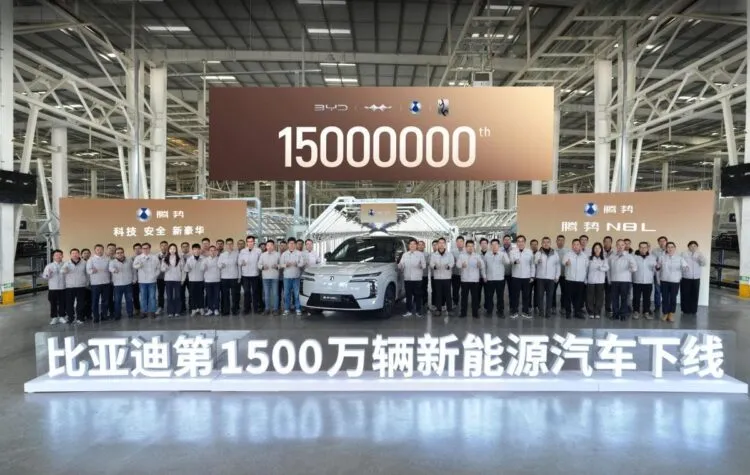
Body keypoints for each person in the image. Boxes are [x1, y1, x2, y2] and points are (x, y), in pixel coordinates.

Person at [656, 241, 687, 323]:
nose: (670, 249)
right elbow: (658, 269)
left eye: (672, 247)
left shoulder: (680, 258)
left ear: (675, 248)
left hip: (675, 281)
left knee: (673, 298)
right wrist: (658, 278)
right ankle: (665, 313)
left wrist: (685, 268)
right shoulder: (662, 257)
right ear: (666, 248)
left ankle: (671, 313)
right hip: (664, 281)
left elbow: (685, 267)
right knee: (665, 298)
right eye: (668, 247)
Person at [609, 239, 637, 320]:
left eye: (622, 245)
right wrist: (609, 279)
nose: (620, 246)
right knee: (614, 299)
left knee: (624, 298)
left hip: (625, 280)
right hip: (614, 280)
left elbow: (635, 268)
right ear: (616, 246)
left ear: (625, 246)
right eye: (618, 245)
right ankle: (615, 314)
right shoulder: (612, 256)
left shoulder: (629, 256)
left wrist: (631, 268)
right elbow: (609, 269)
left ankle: (623, 314)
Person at [508, 235, 534, 319]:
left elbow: (532, 264)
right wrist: (515, 262)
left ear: (525, 242)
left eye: (522, 241)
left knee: (526, 295)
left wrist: (532, 276)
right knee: (515, 295)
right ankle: (514, 311)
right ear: (516, 243)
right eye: (518, 241)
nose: (520, 243)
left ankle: (525, 311)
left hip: (526, 277)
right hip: (516, 277)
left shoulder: (529, 252)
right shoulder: (512, 251)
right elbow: (510, 261)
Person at [399, 238, 426, 318]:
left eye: (414, 244)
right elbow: (401, 264)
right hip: (407, 278)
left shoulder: (420, 254)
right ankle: (409, 311)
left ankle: (418, 311)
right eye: (411, 244)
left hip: (417, 279)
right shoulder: (405, 255)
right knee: (408, 296)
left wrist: (420, 265)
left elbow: (424, 265)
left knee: (418, 296)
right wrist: (399, 266)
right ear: (409, 246)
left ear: (416, 245)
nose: (412, 245)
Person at [132, 242, 161, 319]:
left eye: (147, 248)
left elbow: (158, 268)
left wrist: (155, 276)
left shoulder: (154, 257)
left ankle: (152, 311)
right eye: (143, 248)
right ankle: (143, 312)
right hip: (142, 281)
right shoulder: (138, 257)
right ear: (142, 249)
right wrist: (139, 265)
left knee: (152, 297)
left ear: (149, 249)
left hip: (152, 281)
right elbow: (134, 266)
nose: (145, 249)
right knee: (143, 297)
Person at [534, 236, 560, 319]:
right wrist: (537, 261)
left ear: (550, 243)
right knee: (540, 295)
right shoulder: (538, 253)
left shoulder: (555, 253)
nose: (546, 244)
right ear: (541, 243)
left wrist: (557, 276)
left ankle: (548, 312)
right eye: (544, 242)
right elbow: (534, 262)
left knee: (550, 296)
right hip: (540, 278)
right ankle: (541, 312)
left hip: (551, 278)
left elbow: (558, 265)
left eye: (547, 242)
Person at [483, 238, 510, 318]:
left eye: (496, 244)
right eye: (493, 245)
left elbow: (508, 262)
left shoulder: (503, 254)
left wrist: (504, 257)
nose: (494, 246)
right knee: (489, 296)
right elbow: (484, 266)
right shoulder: (487, 255)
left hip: (500, 279)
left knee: (500, 296)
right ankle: (489, 311)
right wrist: (484, 276)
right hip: (490, 279)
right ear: (490, 246)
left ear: (499, 246)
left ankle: (500, 311)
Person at [457, 239, 483, 319]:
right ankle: (463, 312)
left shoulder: (477, 256)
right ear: (466, 247)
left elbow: (482, 265)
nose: (470, 248)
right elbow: (457, 265)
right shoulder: (462, 256)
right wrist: (462, 265)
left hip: (474, 280)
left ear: (474, 247)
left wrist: (479, 265)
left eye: (472, 246)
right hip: (465, 280)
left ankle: (475, 313)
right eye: (468, 246)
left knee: (475, 298)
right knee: (464, 297)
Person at [563, 239, 588, 319]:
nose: (576, 246)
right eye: (574, 244)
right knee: (568, 297)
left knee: (578, 298)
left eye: (577, 244)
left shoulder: (584, 256)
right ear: (572, 246)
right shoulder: (568, 254)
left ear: (580, 246)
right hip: (570, 279)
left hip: (580, 280)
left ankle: (577, 312)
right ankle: (568, 312)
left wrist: (585, 279)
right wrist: (567, 263)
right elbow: (564, 262)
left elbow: (586, 268)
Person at [86, 244, 111, 322]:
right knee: (95, 301)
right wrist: (92, 270)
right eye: (97, 249)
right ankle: (96, 317)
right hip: (95, 284)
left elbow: (110, 269)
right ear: (95, 250)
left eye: (101, 249)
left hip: (106, 282)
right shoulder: (91, 260)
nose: (99, 251)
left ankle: (104, 315)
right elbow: (88, 270)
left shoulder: (107, 259)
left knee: (105, 301)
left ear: (103, 250)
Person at [62, 248, 87, 325]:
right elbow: (62, 271)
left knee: (81, 303)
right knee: (69, 303)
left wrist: (87, 283)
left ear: (79, 254)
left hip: (81, 286)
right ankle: (71, 318)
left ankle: (80, 317)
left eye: (76, 253)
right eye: (73, 253)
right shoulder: (67, 263)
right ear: (70, 255)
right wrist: (64, 270)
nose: (75, 255)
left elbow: (87, 273)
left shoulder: (84, 263)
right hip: (70, 286)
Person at [632, 241, 657, 320]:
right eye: (641, 247)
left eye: (645, 247)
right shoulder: (634, 257)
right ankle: (636, 312)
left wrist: (655, 267)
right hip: (637, 281)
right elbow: (632, 268)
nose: (643, 249)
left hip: (648, 281)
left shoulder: (652, 258)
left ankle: (646, 312)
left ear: (647, 248)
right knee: (636, 298)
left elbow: (655, 270)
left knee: (647, 298)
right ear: (639, 248)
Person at [681, 240, 706, 315]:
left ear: (697, 247)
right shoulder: (684, 254)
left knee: (695, 294)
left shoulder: (700, 254)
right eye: (691, 246)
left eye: (695, 246)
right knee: (685, 294)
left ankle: (693, 309)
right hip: (686, 277)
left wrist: (700, 259)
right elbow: (681, 264)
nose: (693, 247)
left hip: (696, 278)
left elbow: (703, 264)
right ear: (688, 247)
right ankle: (685, 309)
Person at [430, 238, 454, 317]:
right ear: (438, 244)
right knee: (438, 294)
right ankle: (438, 309)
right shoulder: (434, 255)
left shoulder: (449, 254)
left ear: (445, 244)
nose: (441, 244)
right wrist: (434, 266)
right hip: (437, 277)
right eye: (439, 243)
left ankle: (450, 309)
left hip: (447, 277)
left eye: (443, 243)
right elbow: (431, 263)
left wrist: (448, 266)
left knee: (448, 294)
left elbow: (452, 263)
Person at [239, 235, 263, 314]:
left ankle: (256, 308)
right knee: (246, 292)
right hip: (245, 275)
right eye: (248, 242)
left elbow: (261, 261)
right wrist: (241, 263)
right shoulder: (243, 251)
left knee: (255, 292)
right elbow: (239, 261)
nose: (250, 243)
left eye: (251, 241)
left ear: (254, 242)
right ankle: (247, 308)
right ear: (246, 243)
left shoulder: (258, 251)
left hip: (255, 274)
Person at [109, 247, 134, 320]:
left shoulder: (129, 260)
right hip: (117, 285)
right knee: (117, 301)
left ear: (123, 253)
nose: (120, 254)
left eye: (121, 252)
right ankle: (117, 315)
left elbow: (133, 270)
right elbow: (110, 268)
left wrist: (134, 279)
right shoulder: (112, 262)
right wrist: (114, 270)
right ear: (115, 254)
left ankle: (130, 314)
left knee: (129, 300)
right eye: (118, 253)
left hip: (128, 283)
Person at [281, 237, 304, 316]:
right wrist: (285, 265)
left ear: (295, 244)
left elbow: (302, 263)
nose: (291, 245)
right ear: (288, 244)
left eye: (293, 243)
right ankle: (286, 309)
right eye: (290, 243)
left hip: (296, 276)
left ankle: (298, 308)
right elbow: (281, 264)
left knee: (296, 294)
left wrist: (296, 264)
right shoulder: (284, 254)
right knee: (286, 294)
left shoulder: (299, 253)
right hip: (287, 277)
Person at [42, 250, 66, 325]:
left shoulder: (65, 264)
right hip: (53, 288)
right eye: (56, 255)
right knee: (53, 303)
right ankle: (54, 318)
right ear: (53, 257)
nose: (58, 256)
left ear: (62, 256)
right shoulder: (49, 266)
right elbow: (45, 277)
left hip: (63, 287)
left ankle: (62, 317)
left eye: (60, 255)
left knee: (63, 303)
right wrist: (48, 274)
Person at [586, 243, 608, 320]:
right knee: (590, 297)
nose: (597, 249)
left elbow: (607, 268)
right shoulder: (589, 258)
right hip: (591, 280)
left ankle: (597, 312)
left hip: (600, 281)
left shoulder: (604, 259)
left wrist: (600, 268)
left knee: (599, 298)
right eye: (595, 248)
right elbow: (586, 269)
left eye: (599, 248)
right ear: (593, 249)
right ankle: (591, 312)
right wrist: (585, 279)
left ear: (601, 249)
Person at [160, 243, 184, 318]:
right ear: (168, 250)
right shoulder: (165, 259)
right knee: (169, 296)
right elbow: (162, 269)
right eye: (171, 249)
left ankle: (177, 311)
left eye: (174, 249)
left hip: (177, 279)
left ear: (176, 250)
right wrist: (165, 268)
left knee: (177, 296)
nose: (172, 250)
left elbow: (183, 270)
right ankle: (170, 312)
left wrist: (182, 279)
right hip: (168, 280)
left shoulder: (180, 258)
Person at [218, 237, 240, 316]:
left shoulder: (237, 254)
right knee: (225, 295)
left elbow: (239, 266)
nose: (229, 245)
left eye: (231, 244)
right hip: (224, 278)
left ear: (233, 244)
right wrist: (221, 265)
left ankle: (235, 310)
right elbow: (218, 265)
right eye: (228, 244)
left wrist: (239, 277)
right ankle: (225, 310)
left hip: (234, 277)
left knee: (234, 295)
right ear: (226, 245)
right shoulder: (222, 255)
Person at [259, 240, 281, 315]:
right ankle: (267, 309)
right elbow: (258, 265)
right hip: (265, 277)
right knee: (266, 294)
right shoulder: (263, 255)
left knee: (275, 294)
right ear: (266, 247)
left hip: (274, 277)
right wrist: (262, 267)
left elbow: (282, 264)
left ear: (273, 246)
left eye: (271, 245)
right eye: (268, 245)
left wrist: (277, 266)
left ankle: (275, 309)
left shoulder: (278, 254)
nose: (269, 247)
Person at [184, 243, 206, 316]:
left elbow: (205, 269)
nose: (196, 251)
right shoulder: (189, 259)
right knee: (192, 295)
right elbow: (186, 269)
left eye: (198, 249)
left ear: (200, 250)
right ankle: (193, 309)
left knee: (201, 295)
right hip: (192, 280)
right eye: (194, 249)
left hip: (201, 279)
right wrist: (188, 267)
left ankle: (201, 308)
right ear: (192, 250)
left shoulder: (203, 258)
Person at [203, 246, 221, 316]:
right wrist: (204, 267)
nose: (212, 252)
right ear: (208, 252)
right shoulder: (205, 260)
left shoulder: (219, 259)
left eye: (214, 250)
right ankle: (210, 309)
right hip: (208, 281)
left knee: (216, 296)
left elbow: (221, 268)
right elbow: (201, 269)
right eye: (211, 250)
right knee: (209, 295)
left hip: (217, 280)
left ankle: (216, 309)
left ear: (216, 252)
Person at [652, 236, 668, 314]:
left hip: (667, 274)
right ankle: (657, 307)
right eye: (660, 241)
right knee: (657, 291)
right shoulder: (654, 251)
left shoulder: (670, 250)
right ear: (658, 242)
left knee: (666, 292)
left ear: (666, 242)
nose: (662, 243)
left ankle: (666, 307)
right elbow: (653, 261)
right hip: (657, 273)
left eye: (663, 241)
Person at [553, 234, 568, 313]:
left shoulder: (568, 251)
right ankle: (553, 307)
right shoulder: (553, 251)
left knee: (564, 292)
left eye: (562, 240)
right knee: (552, 291)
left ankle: (563, 307)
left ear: (564, 241)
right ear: (556, 241)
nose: (560, 242)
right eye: (559, 240)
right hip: (554, 275)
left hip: (564, 275)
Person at [451, 236, 465, 309]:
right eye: (458, 242)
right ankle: (455, 302)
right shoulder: (452, 252)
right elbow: (451, 262)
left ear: (463, 242)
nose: (459, 243)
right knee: (455, 290)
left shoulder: (466, 251)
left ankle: (463, 303)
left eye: (461, 241)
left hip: (464, 275)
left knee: (464, 290)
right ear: (456, 243)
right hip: (455, 274)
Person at [602, 236, 614, 316]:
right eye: (606, 241)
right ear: (603, 242)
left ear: (611, 243)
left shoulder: (614, 252)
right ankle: (598, 308)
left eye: (609, 241)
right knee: (599, 294)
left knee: (609, 294)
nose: (607, 243)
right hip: (601, 276)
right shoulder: (599, 250)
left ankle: (608, 308)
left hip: (610, 276)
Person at [156, 240, 168, 315]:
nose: (164, 247)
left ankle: (171, 307)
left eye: (165, 245)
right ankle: (160, 307)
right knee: (160, 293)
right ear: (160, 247)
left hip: (169, 277)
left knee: (170, 294)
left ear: (167, 246)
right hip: (160, 277)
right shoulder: (156, 256)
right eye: (162, 245)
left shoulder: (170, 255)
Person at [418, 241, 430, 308]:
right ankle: (417, 303)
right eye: (419, 245)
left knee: (424, 289)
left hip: (424, 275)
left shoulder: (427, 254)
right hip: (416, 276)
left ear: (424, 246)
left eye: (422, 245)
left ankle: (425, 303)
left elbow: (428, 263)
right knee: (417, 290)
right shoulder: (415, 253)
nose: (420, 246)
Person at [180, 241, 191, 313]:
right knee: (181, 294)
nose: (185, 248)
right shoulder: (178, 257)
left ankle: (191, 307)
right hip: (181, 278)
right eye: (183, 247)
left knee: (192, 293)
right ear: (181, 248)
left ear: (189, 247)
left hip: (190, 278)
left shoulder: (192, 256)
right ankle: (182, 308)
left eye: (186, 246)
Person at [131, 243, 142, 316]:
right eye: (136, 249)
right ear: (134, 250)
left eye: (139, 248)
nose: (137, 250)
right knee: (135, 296)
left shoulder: (145, 257)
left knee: (145, 296)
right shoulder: (131, 259)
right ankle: (137, 309)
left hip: (144, 280)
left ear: (141, 249)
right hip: (135, 280)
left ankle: (146, 309)